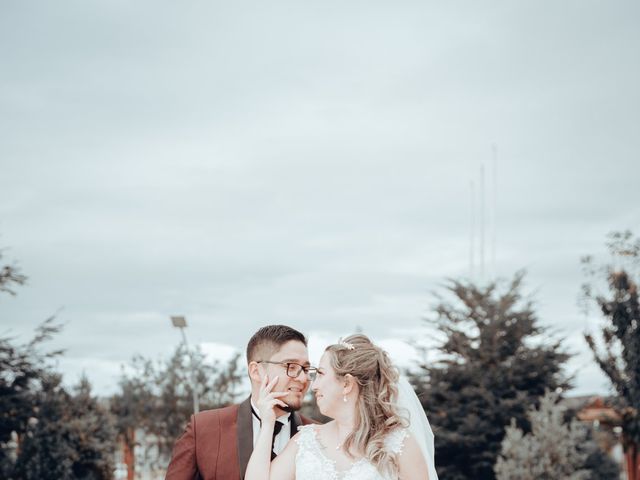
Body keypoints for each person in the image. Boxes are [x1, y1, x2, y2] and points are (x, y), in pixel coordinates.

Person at [245, 334, 437, 480]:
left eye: (320, 374)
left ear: (346, 384)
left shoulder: (399, 444)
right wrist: (268, 423)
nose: (313, 385)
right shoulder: (306, 440)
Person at [165, 325, 318, 480]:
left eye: (305, 369)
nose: (303, 378)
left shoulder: (318, 435)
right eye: (290, 366)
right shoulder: (203, 428)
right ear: (255, 371)